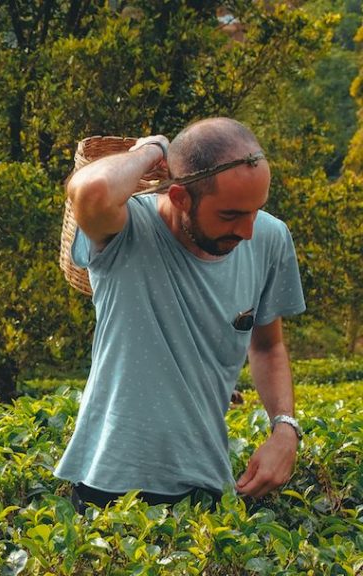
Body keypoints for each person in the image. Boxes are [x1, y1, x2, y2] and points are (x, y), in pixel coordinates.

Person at [55, 117, 306, 512]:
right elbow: (91, 190)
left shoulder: (270, 239)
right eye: (230, 215)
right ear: (180, 197)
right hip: (106, 486)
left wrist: (285, 429)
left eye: (256, 209)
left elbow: (268, 346)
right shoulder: (127, 231)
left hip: (208, 489)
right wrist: (154, 148)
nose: (248, 231)